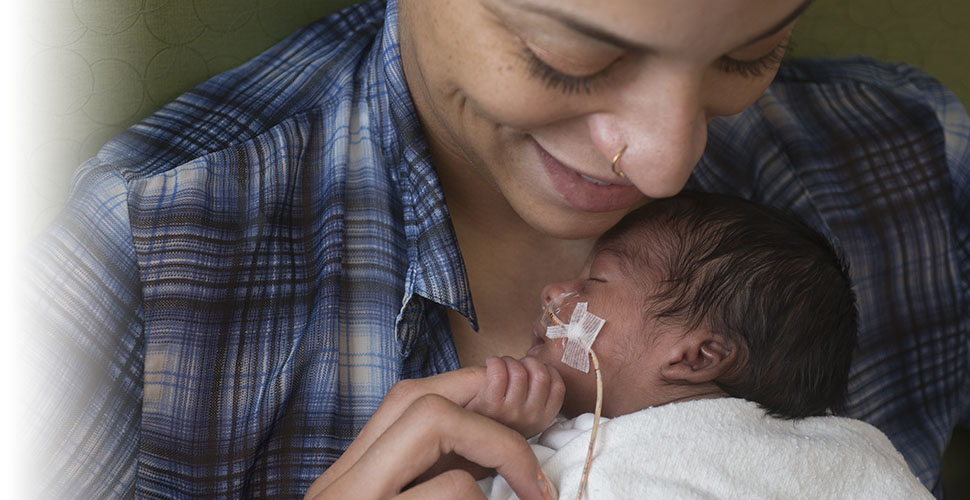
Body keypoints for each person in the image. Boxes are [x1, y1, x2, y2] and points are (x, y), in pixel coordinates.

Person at [25, 0, 968, 498]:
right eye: (575, 57)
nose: (670, 159)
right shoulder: (148, 260)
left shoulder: (907, 158)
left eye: (745, 54)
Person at [308, 191, 932, 499]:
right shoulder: (541, 453)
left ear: (695, 356)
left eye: (595, 282)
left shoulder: (817, 460)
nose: (556, 291)